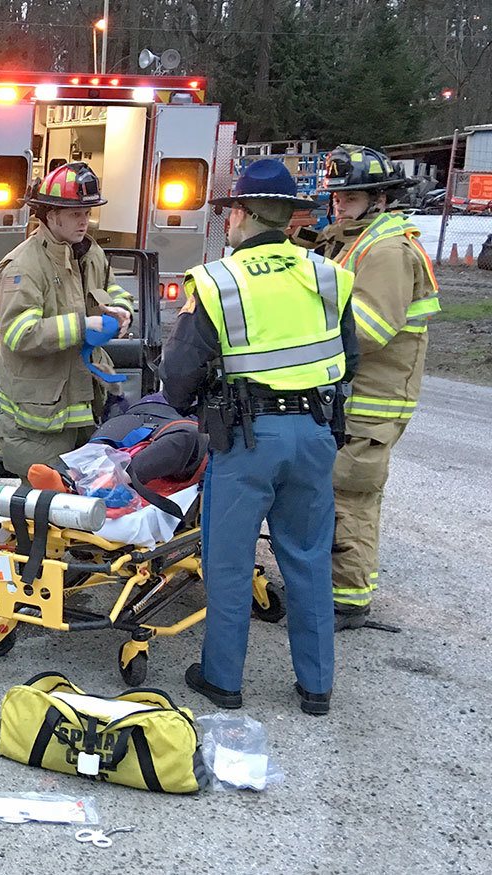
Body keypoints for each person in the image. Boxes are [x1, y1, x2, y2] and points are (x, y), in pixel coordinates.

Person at [160, 159, 359, 716]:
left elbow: (179, 373)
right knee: (309, 559)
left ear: (242, 214)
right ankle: (316, 688)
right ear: (292, 217)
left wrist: (190, 407)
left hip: (247, 440)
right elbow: (351, 360)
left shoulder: (219, 281)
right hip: (315, 432)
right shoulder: (328, 275)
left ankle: (223, 681)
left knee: (227, 562)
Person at [315, 145, 441, 630]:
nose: (339, 206)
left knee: (350, 495)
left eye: (350, 198)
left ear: (380, 197)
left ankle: (347, 600)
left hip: (374, 398)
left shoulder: (387, 250)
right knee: (338, 489)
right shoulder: (359, 239)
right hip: (357, 394)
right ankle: (338, 584)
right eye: (337, 197)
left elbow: (367, 329)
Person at [0, 162, 134, 477]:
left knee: (82, 515)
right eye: (76, 214)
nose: (85, 221)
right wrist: (83, 327)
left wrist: (122, 310)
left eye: (87, 213)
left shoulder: (89, 252)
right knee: (40, 513)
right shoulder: (23, 266)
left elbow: (113, 289)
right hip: (40, 425)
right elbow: (19, 333)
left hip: (85, 411)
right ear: (51, 215)